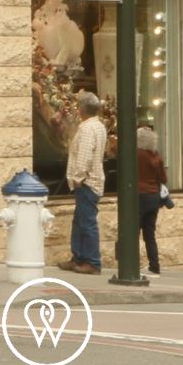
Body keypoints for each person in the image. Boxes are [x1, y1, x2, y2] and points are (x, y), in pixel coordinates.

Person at [62, 92, 108, 274]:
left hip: (88, 182)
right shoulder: (98, 126)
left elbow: (85, 154)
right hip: (92, 180)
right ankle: (78, 258)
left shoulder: (88, 129)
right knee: (81, 221)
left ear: (81, 109)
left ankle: (92, 262)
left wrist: (78, 177)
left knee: (87, 222)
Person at [137, 124, 172, 275]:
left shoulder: (136, 155)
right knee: (149, 234)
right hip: (153, 198)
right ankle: (154, 265)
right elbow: (163, 178)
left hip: (139, 196)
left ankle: (132, 264)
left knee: (133, 232)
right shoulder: (156, 157)